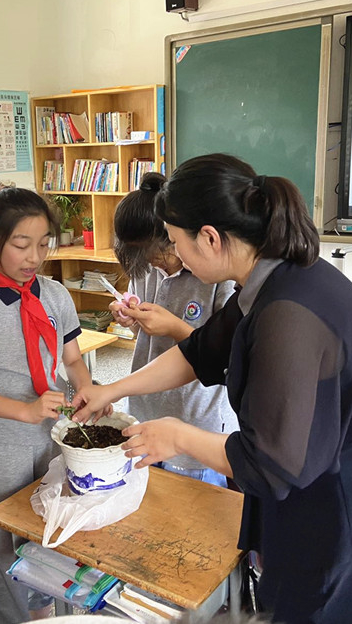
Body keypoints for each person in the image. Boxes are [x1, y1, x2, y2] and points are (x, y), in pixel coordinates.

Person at [73, 153, 352, 623]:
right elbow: (200, 352)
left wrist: (177, 436)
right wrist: (111, 391)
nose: (175, 257)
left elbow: (272, 463)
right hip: (316, 503)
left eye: (178, 243)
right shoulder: (268, 280)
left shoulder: (288, 316)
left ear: (211, 238)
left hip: (338, 522)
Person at [0, 187, 111, 624]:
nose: (33, 256)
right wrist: (27, 410)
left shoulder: (54, 295)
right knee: (4, 546)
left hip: (51, 438)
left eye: (43, 244)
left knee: (52, 534)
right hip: (0, 444)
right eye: (21, 244)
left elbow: (72, 358)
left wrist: (87, 388)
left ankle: (46, 616)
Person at [111, 172, 237, 486]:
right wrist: (131, 319)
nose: (156, 264)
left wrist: (174, 326)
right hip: (145, 409)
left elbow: (228, 357)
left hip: (199, 423)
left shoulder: (219, 277)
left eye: (160, 253)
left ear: (176, 236)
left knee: (199, 519)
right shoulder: (146, 267)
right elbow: (143, 335)